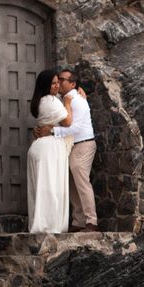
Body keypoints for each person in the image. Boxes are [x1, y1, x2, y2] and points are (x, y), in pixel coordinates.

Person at [35, 69, 98, 232]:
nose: (59, 82)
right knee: (72, 183)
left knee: (82, 182)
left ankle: (92, 221)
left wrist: (52, 131)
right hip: (70, 146)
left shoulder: (76, 100)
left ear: (72, 84)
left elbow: (75, 127)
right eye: (58, 80)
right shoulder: (61, 99)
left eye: (62, 80)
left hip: (83, 144)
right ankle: (78, 221)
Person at [27, 69, 73, 233]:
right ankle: (49, 225)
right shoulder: (50, 100)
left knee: (42, 188)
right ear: (45, 86)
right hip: (49, 148)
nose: (57, 86)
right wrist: (68, 102)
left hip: (42, 146)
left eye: (57, 82)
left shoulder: (41, 100)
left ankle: (44, 223)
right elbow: (67, 121)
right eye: (53, 83)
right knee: (51, 188)